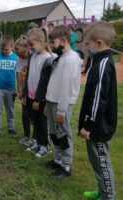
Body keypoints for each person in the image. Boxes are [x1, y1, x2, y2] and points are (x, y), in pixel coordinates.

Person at [79, 21, 117, 200]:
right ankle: (102, 191)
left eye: (87, 44)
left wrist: (88, 125)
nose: (86, 48)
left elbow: (99, 99)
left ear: (99, 43)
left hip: (98, 127)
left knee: (102, 162)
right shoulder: (98, 60)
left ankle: (108, 196)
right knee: (96, 160)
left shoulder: (103, 64)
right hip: (95, 125)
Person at [43, 25, 82, 178]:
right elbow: (54, 82)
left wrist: (61, 110)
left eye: (53, 43)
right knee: (54, 133)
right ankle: (58, 160)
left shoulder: (71, 60)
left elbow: (66, 87)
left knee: (63, 135)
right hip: (52, 102)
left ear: (64, 41)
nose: (51, 46)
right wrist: (48, 102)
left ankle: (65, 166)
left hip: (62, 105)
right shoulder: (60, 58)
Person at [23, 28, 56, 157]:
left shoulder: (48, 59)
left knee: (43, 122)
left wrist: (38, 99)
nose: (30, 48)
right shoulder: (32, 56)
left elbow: (45, 82)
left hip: (41, 99)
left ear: (41, 41)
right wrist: (25, 93)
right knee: (35, 121)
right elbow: (28, 76)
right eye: (28, 45)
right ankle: (38, 142)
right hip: (31, 96)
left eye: (32, 45)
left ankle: (46, 146)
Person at [14, 36, 34, 146]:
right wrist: (20, 92)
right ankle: (26, 135)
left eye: (17, 49)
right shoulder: (19, 59)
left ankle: (35, 138)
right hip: (26, 91)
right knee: (25, 113)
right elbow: (19, 76)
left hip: (35, 91)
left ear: (27, 48)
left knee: (35, 115)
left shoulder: (34, 57)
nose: (15, 51)